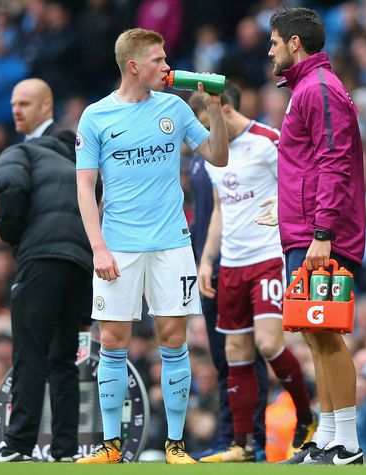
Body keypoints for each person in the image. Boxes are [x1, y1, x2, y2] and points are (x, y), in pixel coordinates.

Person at [74, 28, 228, 464]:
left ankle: (175, 445)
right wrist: (98, 248)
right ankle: (110, 445)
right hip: (118, 246)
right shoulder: (96, 116)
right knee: (114, 340)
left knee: (174, 338)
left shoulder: (175, 108)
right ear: (134, 66)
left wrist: (215, 109)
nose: (167, 67)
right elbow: (85, 188)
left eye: (165, 59)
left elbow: (218, 156)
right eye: (159, 61)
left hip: (171, 243)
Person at [259, 7, 366, 465]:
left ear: (294, 44)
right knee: (313, 332)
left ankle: (349, 442)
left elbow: (335, 162)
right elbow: (306, 165)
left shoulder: (319, 88)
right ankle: (327, 434)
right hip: (304, 229)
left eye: (275, 42)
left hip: (322, 235)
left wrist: (322, 231)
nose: (270, 49)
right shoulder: (307, 87)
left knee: (326, 332)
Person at [191, 83, 315, 462]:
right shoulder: (216, 155)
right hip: (231, 262)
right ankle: (241, 445)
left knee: (267, 344)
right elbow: (219, 209)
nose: (207, 135)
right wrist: (208, 260)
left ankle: (305, 418)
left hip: (267, 257)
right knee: (235, 352)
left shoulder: (268, 140)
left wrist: (282, 208)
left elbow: (301, 186)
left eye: (208, 124)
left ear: (224, 110)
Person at [0, 78, 97, 463]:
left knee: (30, 353)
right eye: (14, 103)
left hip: (42, 259)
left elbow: (11, 188)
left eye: (24, 103)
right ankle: (65, 450)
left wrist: (12, 236)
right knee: (63, 358)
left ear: (46, 106)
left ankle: (17, 445)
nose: (16, 110)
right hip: (81, 263)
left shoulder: (23, 152)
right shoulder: (76, 154)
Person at [187, 85, 271, 462]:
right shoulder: (202, 155)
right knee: (224, 357)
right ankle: (230, 436)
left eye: (202, 119)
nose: (200, 131)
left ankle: (251, 438)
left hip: (248, 260)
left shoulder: (256, 147)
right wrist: (202, 260)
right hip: (211, 263)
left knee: (249, 354)